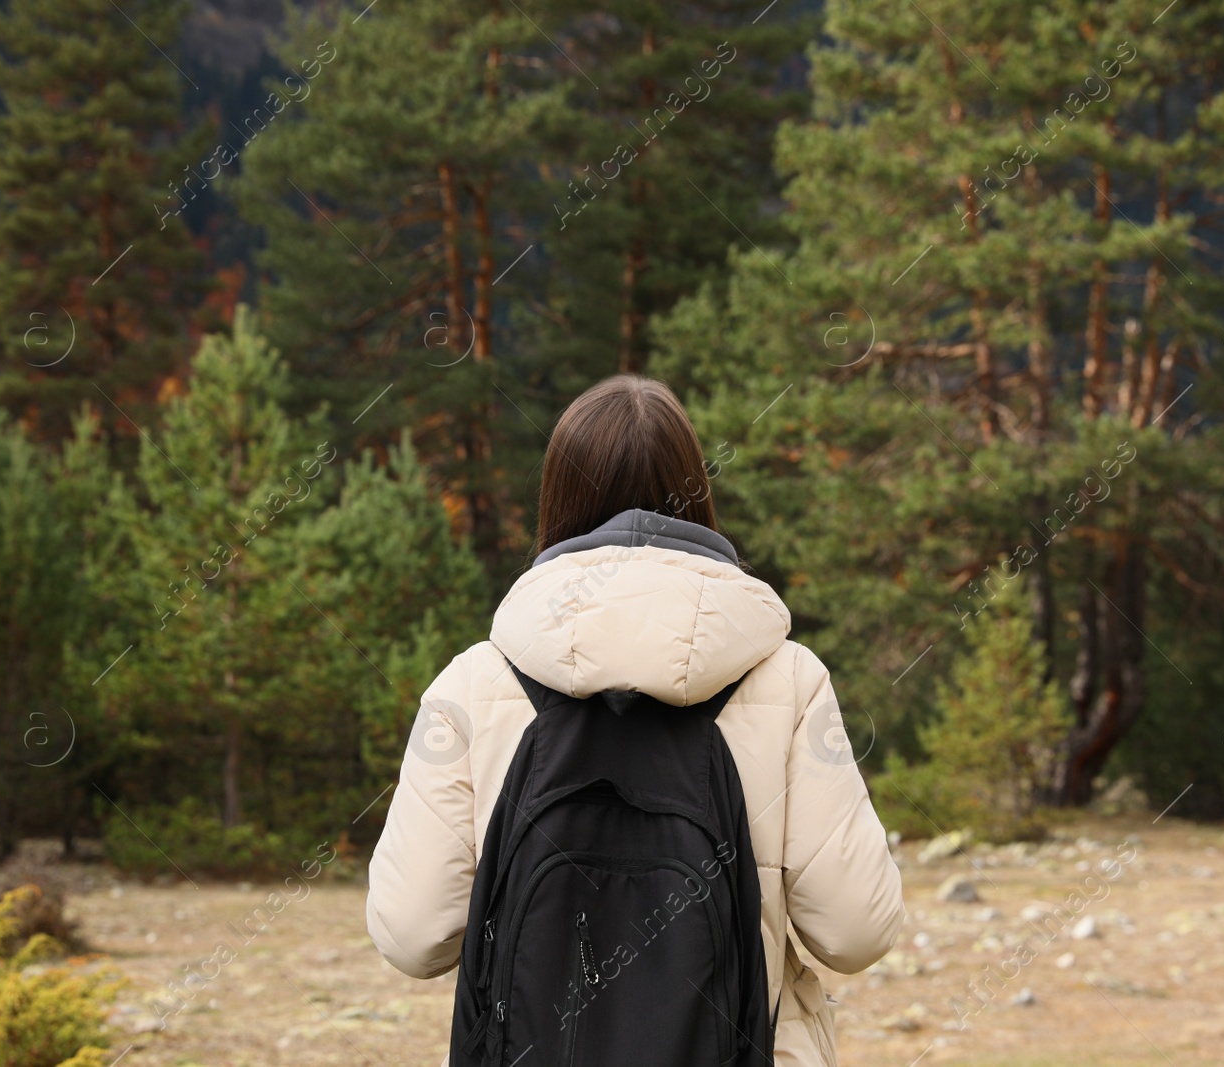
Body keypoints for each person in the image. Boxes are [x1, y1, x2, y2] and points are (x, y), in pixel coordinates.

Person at [367, 374, 905, 1066]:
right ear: (695, 492)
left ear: (557, 500)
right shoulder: (791, 680)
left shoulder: (473, 683)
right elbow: (857, 931)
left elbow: (413, 937)